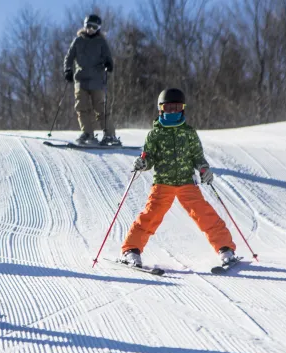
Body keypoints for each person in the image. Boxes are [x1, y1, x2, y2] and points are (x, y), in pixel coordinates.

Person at [119, 88, 238, 268]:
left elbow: (198, 157)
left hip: (186, 183)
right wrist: (143, 163)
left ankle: (225, 248)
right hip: (163, 183)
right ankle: (131, 251)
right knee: (150, 216)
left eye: (177, 107)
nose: (173, 111)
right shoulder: (155, 134)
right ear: (161, 109)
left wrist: (204, 169)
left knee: (205, 214)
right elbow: (149, 157)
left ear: (182, 109)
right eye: (168, 108)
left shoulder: (189, 133)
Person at [63, 14, 118, 146]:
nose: (91, 29)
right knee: (81, 107)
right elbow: (69, 58)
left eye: (94, 27)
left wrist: (108, 64)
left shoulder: (101, 42)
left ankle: (109, 135)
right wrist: (68, 70)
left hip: (97, 80)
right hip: (80, 80)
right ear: (84, 26)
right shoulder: (78, 41)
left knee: (100, 108)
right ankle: (87, 133)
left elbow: (108, 57)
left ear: (98, 28)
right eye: (88, 26)